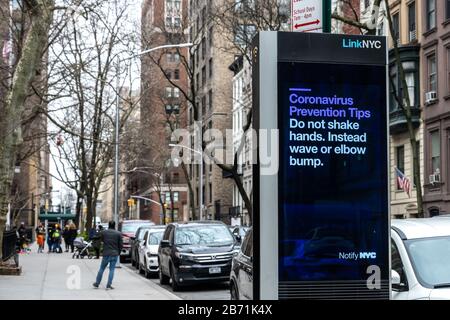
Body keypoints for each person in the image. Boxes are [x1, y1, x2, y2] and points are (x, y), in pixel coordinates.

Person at [93, 221, 122, 290]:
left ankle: (97, 283)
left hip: (106, 253)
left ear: (108, 225)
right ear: (114, 225)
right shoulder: (118, 234)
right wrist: (118, 253)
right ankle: (108, 285)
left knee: (102, 268)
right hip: (114, 254)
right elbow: (121, 245)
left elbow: (97, 237)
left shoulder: (104, 232)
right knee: (112, 270)